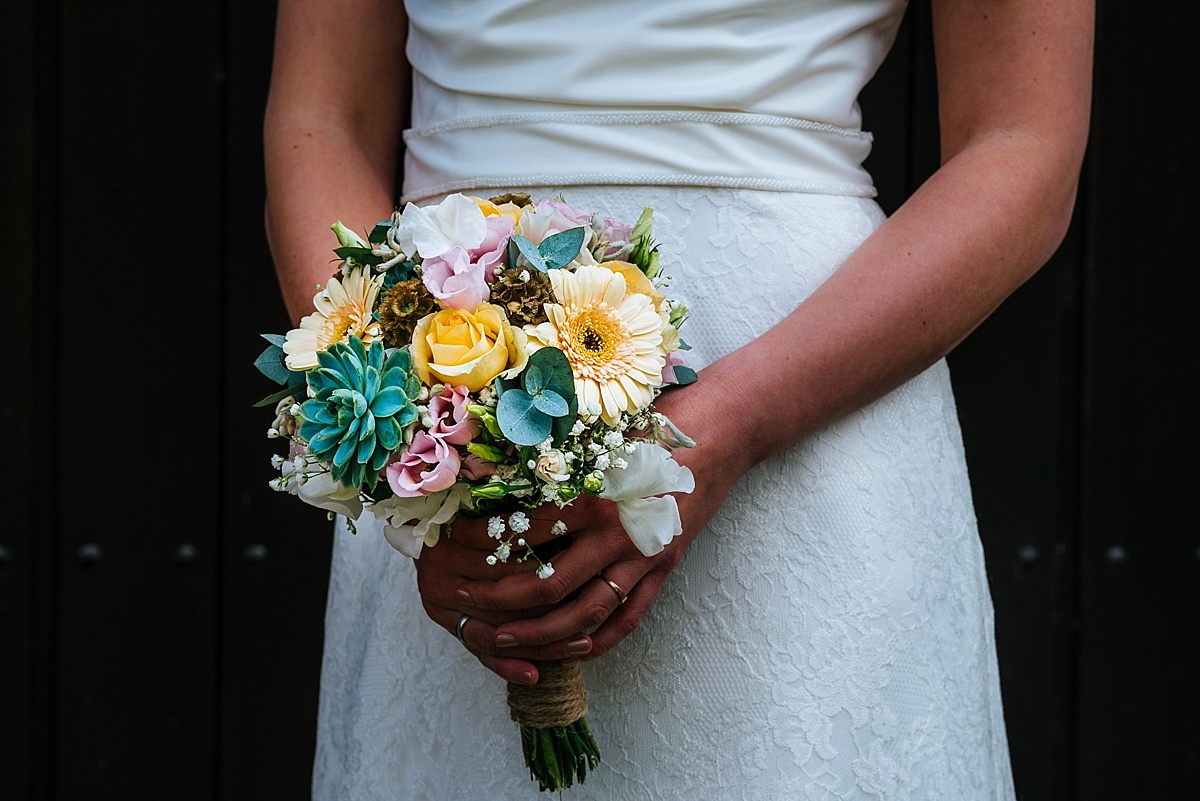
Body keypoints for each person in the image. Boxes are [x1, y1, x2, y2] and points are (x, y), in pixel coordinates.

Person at [264, 0, 1092, 797]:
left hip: (811, 380)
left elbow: (1023, 142)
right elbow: (320, 119)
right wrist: (394, 413)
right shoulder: (423, 421)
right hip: (443, 395)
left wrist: (735, 418)